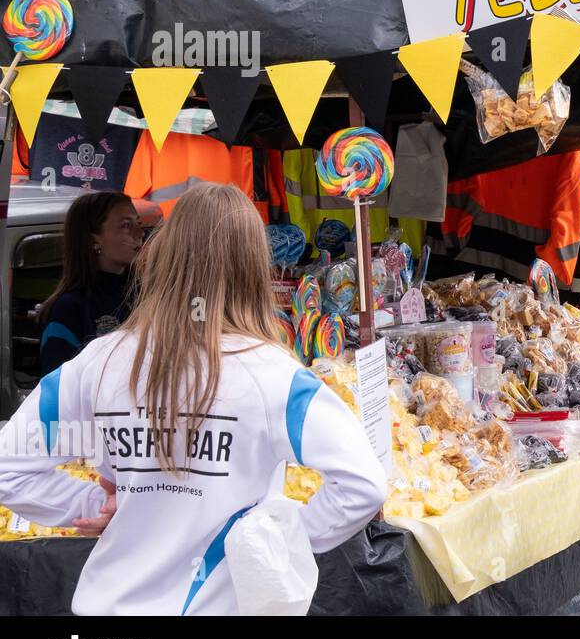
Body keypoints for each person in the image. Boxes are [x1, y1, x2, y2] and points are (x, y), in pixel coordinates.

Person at [0, 183, 387, 615]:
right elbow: (364, 485)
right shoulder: (275, 376)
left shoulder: (99, 362)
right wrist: (279, 536)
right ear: (252, 267)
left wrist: (94, 505)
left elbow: (8, 467)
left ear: (166, 255)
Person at [37, 191, 143, 376]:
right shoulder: (68, 308)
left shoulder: (148, 293)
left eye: (138, 223)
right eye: (126, 225)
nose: (140, 233)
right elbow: (58, 386)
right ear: (94, 239)